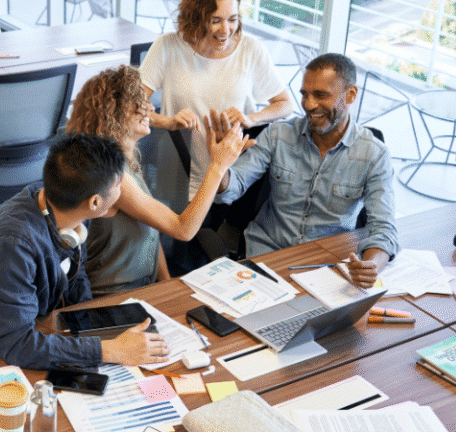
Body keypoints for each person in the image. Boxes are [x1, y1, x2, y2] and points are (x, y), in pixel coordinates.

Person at [0, 134, 171, 370]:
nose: (123, 188)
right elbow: (16, 344)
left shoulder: (67, 204)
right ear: (95, 202)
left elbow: (77, 277)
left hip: (32, 323)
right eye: (119, 184)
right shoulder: (13, 246)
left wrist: (93, 331)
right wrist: (110, 350)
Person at [215, 53, 399, 288]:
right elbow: (234, 185)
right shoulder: (277, 135)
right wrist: (219, 167)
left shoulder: (374, 154)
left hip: (328, 268)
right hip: (267, 258)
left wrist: (372, 265)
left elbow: (383, 227)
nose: (309, 105)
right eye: (304, 94)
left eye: (321, 95)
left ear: (350, 94)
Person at [65, 65, 247, 295]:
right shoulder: (113, 175)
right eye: (139, 106)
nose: (150, 108)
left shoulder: (126, 156)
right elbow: (183, 230)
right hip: (114, 296)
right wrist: (218, 166)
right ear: (113, 117)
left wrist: (166, 283)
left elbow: (152, 226)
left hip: (145, 287)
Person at [139, 0, 293, 203]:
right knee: (178, 232)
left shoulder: (250, 49)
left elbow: (285, 104)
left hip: (231, 178)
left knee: (221, 232)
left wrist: (251, 119)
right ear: (196, 18)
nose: (225, 30)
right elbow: (130, 107)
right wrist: (167, 123)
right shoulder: (168, 46)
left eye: (232, 20)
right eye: (215, 21)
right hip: (177, 173)